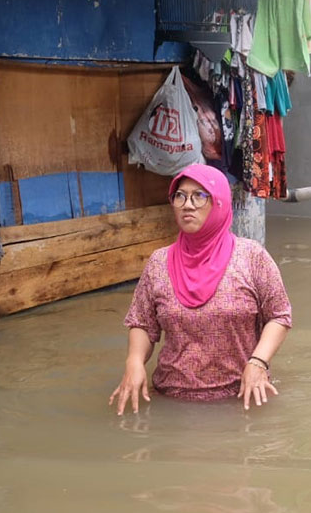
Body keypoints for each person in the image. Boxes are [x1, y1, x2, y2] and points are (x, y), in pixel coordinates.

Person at [109, 163, 292, 414]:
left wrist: (259, 362)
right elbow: (142, 323)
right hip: (170, 401)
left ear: (219, 202)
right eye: (180, 196)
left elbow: (279, 316)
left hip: (241, 396)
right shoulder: (159, 262)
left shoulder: (252, 257)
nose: (187, 204)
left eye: (199, 195)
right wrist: (134, 361)